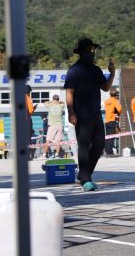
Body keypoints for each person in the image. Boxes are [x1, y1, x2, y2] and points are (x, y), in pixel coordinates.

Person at [64, 38, 115, 192]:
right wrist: (71, 112)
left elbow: (105, 88)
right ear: (81, 52)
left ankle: (84, 174)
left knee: (99, 145)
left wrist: (112, 74)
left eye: (93, 50)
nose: (92, 53)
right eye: (89, 50)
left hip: (95, 113)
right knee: (84, 145)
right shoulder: (74, 70)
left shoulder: (96, 70)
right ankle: (86, 179)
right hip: (81, 114)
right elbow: (69, 93)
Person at [44, 94, 65, 159]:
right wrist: (58, 102)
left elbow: (45, 102)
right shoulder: (61, 105)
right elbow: (63, 102)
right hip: (59, 124)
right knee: (58, 141)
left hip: (52, 125)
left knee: (48, 140)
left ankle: (44, 154)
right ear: (58, 99)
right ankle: (57, 154)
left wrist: (52, 101)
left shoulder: (50, 105)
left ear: (53, 99)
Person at [103, 88, 121, 157]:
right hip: (112, 120)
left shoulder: (106, 101)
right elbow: (119, 109)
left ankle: (107, 150)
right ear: (116, 94)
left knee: (107, 136)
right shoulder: (115, 101)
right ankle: (109, 152)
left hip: (107, 120)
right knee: (111, 137)